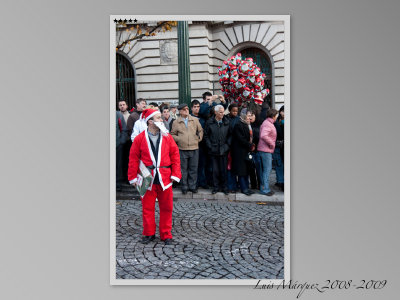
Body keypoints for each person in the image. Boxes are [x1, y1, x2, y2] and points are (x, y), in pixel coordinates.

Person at [128, 108, 181, 245]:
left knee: (167, 208)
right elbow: (133, 158)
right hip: (146, 178)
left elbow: (175, 155)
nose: (161, 119)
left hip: (165, 178)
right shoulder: (139, 139)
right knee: (147, 208)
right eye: (158, 118)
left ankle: (166, 234)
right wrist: (133, 177)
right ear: (150, 121)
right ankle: (148, 233)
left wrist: (175, 174)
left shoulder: (167, 137)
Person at [170, 103, 203, 194]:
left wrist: (199, 138)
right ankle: (184, 186)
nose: (186, 110)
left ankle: (192, 186)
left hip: (194, 147)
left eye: (187, 109)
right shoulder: (176, 122)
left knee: (193, 168)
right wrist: (179, 139)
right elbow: (172, 134)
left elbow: (200, 130)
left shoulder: (195, 120)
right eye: (184, 109)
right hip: (182, 148)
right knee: (183, 169)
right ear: (180, 111)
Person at [204, 104, 231, 195]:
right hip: (213, 150)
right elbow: (206, 135)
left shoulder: (227, 122)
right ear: (215, 112)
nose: (222, 114)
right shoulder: (209, 122)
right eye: (220, 112)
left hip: (224, 149)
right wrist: (210, 146)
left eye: (223, 112)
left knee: (223, 170)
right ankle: (216, 187)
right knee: (215, 170)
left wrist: (227, 146)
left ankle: (224, 187)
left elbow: (230, 136)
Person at [231, 110, 255, 196]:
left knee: (246, 170)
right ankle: (243, 188)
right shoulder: (238, 125)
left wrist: (251, 145)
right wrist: (250, 145)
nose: (250, 117)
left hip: (246, 151)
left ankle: (246, 187)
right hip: (239, 152)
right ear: (244, 116)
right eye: (248, 116)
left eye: (250, 116)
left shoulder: (248, 124)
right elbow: (241, 139)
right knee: (241, 171)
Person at [258, 108, 279, 196]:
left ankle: (265, 188)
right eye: (276, 116)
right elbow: (263, 135)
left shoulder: (268, 122)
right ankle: (265, 189)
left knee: (266, 170)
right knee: (267, 170)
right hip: (265, 150)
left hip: (265, 149)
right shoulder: (268, 124)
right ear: (273, 116)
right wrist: (272, 144)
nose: (277, 117)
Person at [226, 103, 240, 193]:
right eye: (233, 111)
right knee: (228, 167)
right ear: (230, 110)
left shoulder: (239, 119)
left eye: (236, 111)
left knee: (235, 167)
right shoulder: (226, 119)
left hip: (236, 146)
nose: (235, 112)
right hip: (228, 145)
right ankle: (230, 186)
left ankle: (235, 185)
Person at [116, 111, 129, 192]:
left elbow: (123, 129)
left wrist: (121, 142)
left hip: (117, 145)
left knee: (117, 166)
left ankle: (117, 184)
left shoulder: (118, 115)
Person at [273, 105, 284, 191]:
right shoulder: (277, 120)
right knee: (278, 163)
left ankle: (282, 181)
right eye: (282, 111)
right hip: (278, 145)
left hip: (283, 145)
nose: (283, 113)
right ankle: (280, 181)